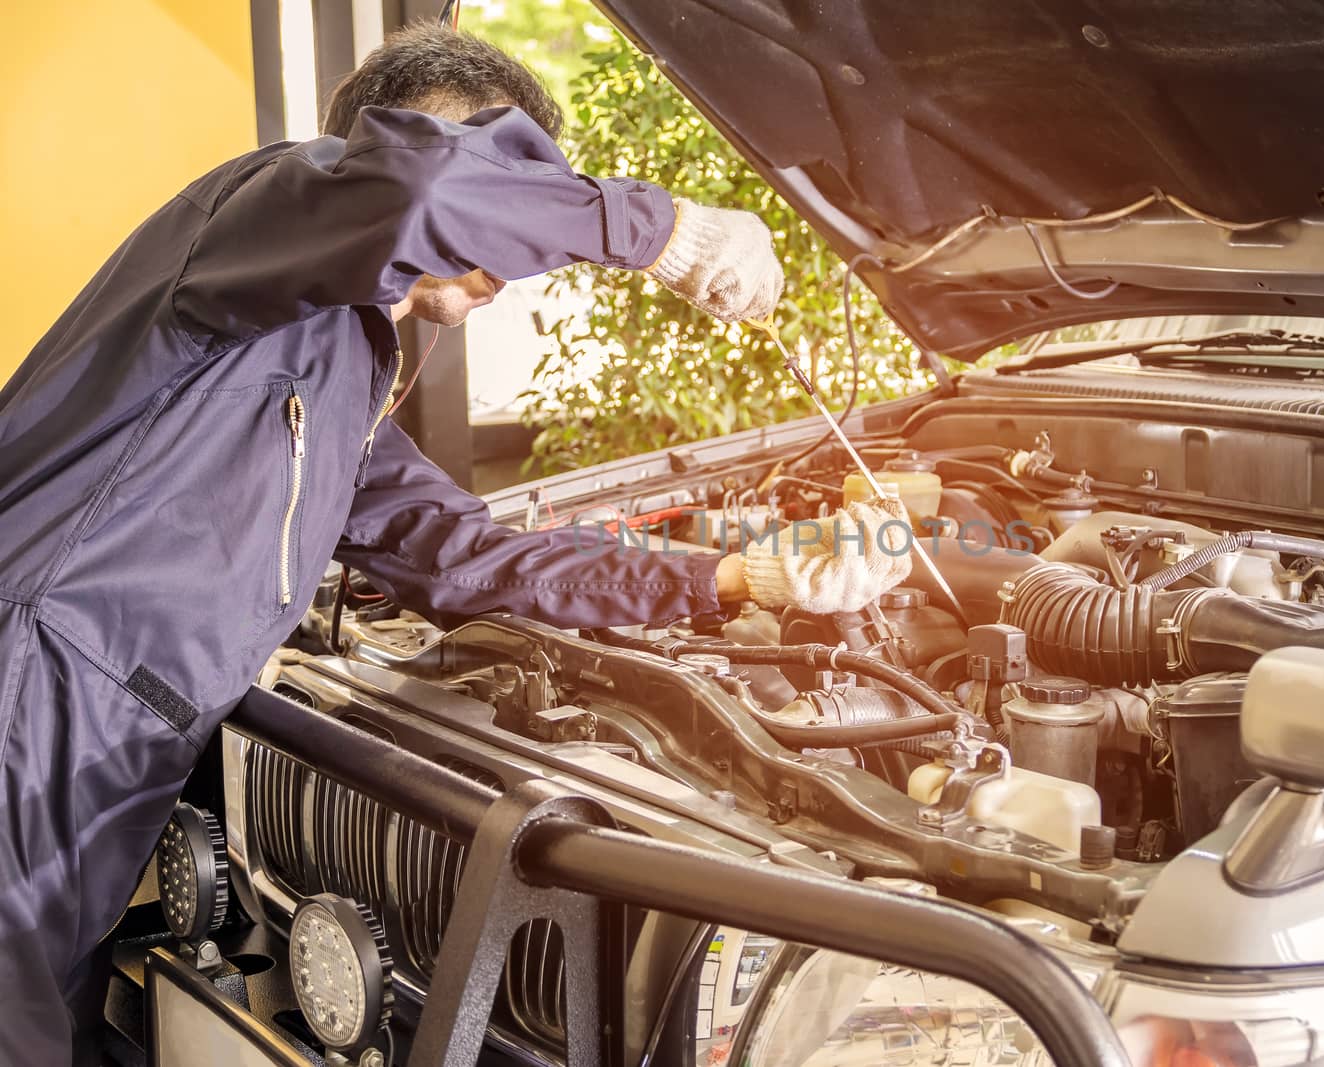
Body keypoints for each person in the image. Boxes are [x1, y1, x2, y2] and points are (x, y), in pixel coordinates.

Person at [0, 24, 910, 1063]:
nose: (514, 263)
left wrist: (733, 575)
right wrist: (661, 230)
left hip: (100, 764)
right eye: (511, 180)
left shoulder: (339, 370)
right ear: (398, 150)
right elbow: (419, 197)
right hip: (26, 704)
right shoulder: (249, 212)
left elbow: (460, 556)